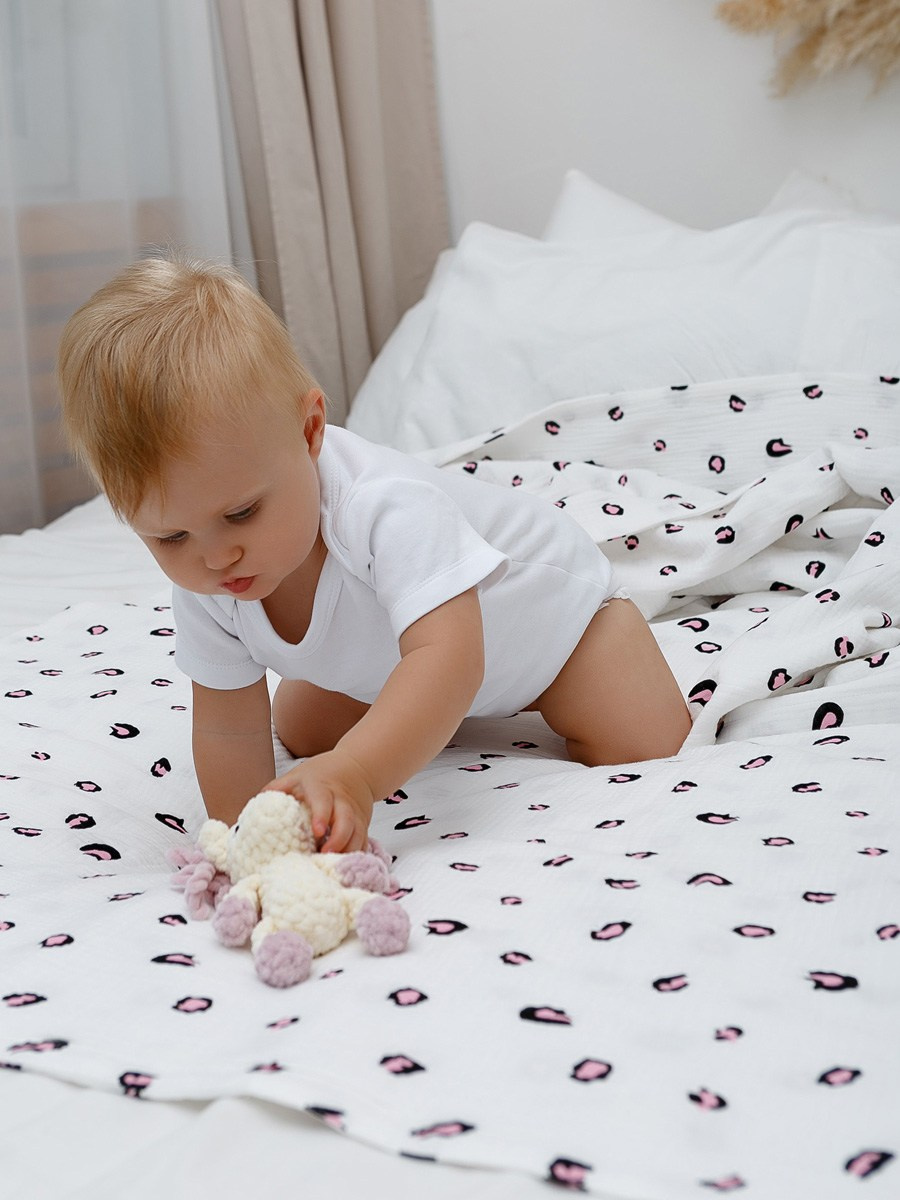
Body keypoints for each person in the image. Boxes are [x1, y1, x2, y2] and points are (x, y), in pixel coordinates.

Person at [57, 255, 691, 853]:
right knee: (301, 731)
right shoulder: (207, 584)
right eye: (170, 537)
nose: (216, 558)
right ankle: (425, 715)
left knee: (646, 742)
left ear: (309, 432)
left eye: (241, 513)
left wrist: (358, 773)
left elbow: (451, 658)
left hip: (555, 631)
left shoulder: (386, 508)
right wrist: (251, 843)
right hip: (401, 657)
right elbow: (228, 728)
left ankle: (541, 677)